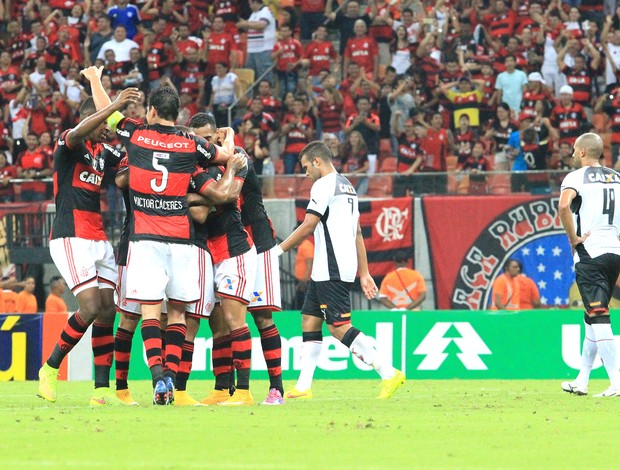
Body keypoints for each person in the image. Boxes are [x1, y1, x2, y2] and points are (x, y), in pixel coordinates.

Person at [84, 66, 236, 406]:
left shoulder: (136, 133)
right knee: (179, 314)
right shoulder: (191, 142)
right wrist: (230, 147)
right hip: (182, 239)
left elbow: (106, 115)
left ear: (151, 111)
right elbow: (226, 157)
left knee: (151, 313)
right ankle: (170, 374)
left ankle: (158, 378)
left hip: (144, 239)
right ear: (177, 113)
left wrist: (95, 80)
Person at [275, 141, 405, 400]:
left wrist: (277, 252)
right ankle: (303, 386)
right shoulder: (348, 186)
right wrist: (365, 272)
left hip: (331, 268)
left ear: (317, 161)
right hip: (329, 268)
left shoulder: (322, 185)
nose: (305, 174)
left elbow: (308, 225)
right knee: (310, 321)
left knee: (338, 326)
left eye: (305, 168)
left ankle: (388, 372)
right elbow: (357, 231)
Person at [37, 86, 141, 405]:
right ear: (89, 119)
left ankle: (100, 390)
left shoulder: (102, 151)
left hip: (98, 238)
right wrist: (114, 104)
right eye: (104, 123)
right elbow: (80, 131)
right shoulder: (70, 142)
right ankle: (50, 369)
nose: (108, 129)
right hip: (71, 236)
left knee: (108, 310)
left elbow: (128, 159)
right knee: (91, 307)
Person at [559, 132, 620, 398]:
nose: (573, 154)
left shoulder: (575, 178)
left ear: (583, 152)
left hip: (590, 253)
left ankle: (617, 382)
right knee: (591, 319)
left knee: (598, 315)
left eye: (574, 150)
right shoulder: (617, 178)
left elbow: (563, 207)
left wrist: (573, 238)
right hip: (614, 251)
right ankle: (582, 380)